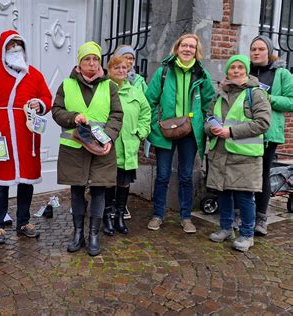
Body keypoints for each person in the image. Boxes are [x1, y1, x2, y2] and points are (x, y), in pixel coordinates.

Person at [0, 30, 52, 244]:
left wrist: (40, 104)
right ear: (3, 48)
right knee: (1, 182)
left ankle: (23, 222)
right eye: (11, 45)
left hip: (27, 134)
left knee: (27, 181)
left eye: (19, 45)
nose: (15, 48)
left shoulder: (34, 74)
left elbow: (47, 97)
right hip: (2, 132)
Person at [52, 41, 123, 256]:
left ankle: (93, 235)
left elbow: (117, 115)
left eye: (95, 59)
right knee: (76, 191)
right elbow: (56, 111)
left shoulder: (110, 86)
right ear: (79, 63)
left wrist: (108, 136)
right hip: (73, 148)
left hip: (102, 149)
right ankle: (77, 233)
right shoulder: (66, 85)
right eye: (86, 59)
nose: (91, 63)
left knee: (99, 190)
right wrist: (73, 117)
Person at [145, 33, 215, 233]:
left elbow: (209, 103)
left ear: (196, 51)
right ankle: (158, 215)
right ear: (177, 48)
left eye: (192, 47)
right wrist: (155, 127)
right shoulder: (164, 72)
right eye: (184, 45)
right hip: (164, 132)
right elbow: (149, 102)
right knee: (163, 176)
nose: (187, 49)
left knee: (185, 176)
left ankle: (186, 217)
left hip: (190, 134)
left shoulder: (202, 75)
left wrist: (201, 124)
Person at [205, 55, 271, 252]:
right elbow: (209, 117)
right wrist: (211, 128)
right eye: (232, 67)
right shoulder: (219, 95)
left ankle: (247, 234)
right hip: (221, 153)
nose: (235, 71)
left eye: (239, 67)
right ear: (227, 71)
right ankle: (226, 228)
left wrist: (231, 132)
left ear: (246, 70)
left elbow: (263, 123)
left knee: (244, 196)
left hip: (245, 155)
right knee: (223, 192)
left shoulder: (256, 94)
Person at [249, 35, 293, 236]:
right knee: (245, 172)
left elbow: (291, 101)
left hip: (268, 132)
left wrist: (268, 97)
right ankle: (246, 213)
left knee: (263, 173)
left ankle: (261, 217)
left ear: (269, 51)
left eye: (260, 49)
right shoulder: (245, 70)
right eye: (253, 49)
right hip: (246, 131)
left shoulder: (282, 74)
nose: (256, 52)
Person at [103, 55, 151, 236]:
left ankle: (120, 215)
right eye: (117, 68)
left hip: (129, 144)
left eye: (124, 68)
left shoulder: (136, 92)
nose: (121, 71)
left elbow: (146, 114)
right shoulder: (105, 90)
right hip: (110, 145)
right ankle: (107, 215)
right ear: (110, 70)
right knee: (108, 182)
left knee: (123, 183)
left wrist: (140, 133)